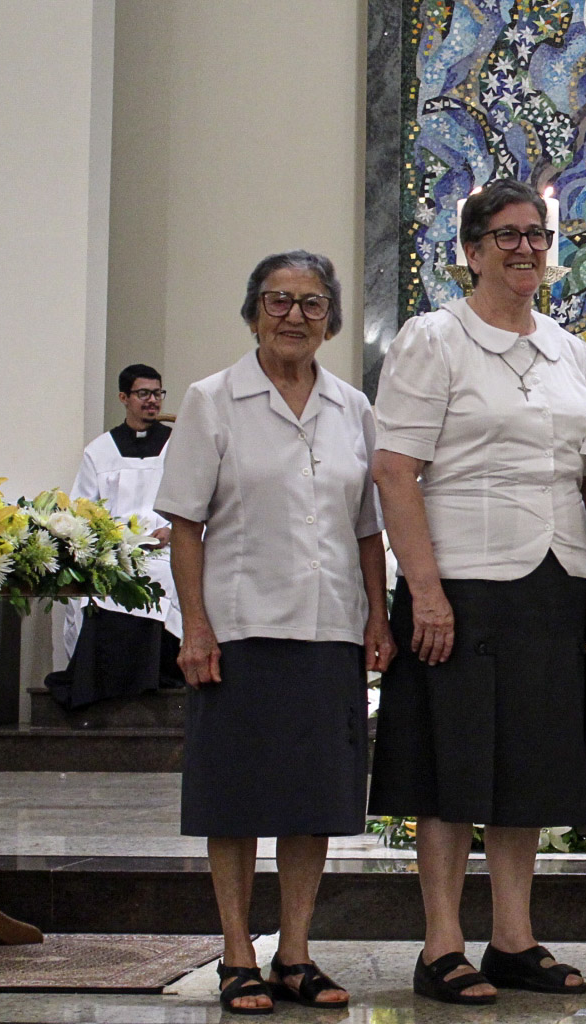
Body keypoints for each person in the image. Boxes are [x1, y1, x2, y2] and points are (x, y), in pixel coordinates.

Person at [370, 179, 586, 1005]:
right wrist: (425, 590)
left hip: (552, 579)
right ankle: (441, 943)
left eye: (537, 234)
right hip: (460, 583)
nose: (526, 248)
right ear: (471, 251)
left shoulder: (572, 352)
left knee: (525, 766)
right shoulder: (436, 339)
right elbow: (395, 471)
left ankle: (512, 938)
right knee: (451, 765)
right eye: (507, 235)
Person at [154, 251, 394, 1014]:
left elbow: (367, 529)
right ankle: (236, 953)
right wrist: (195, 626)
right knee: (233, 798)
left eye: (311, 303)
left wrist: (378, 614)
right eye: (278, 300)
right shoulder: (213, 400)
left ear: (332, 319)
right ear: (254, 311)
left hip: (329, 630)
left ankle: (295, 951)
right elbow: (185, 524)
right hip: (241, 628)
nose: (294, 316)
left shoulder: (352, 407)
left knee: (313, 800)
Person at [47, 364, 183, 709]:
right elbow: (82, 510)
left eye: (157, 393)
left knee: (162, 574)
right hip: (114, 550)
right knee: (100, 585)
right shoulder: (100, 450)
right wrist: (107, 539)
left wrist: (174, 530)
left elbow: (198, 501)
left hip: (165, 548)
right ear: (124, 397)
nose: (152, 401)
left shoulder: (178, 445)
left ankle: (159, 674)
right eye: (143, 394)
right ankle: (105, 678)